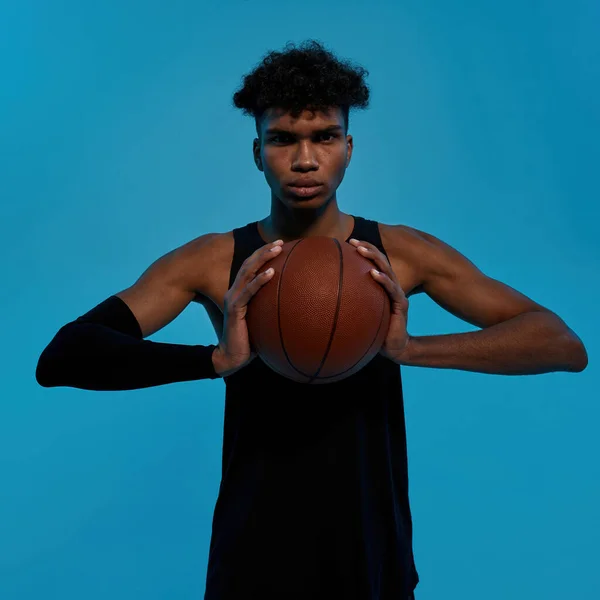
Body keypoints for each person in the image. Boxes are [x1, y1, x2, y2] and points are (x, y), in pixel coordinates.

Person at [35, 40, 588, 600]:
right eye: (282, 140)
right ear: (257, 151)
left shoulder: (400, 253)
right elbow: (64, 355)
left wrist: (411, 348)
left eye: (324, 137)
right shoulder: (211, 261)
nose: (304, 160)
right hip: (253, 555)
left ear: (349, 147)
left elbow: (562, 344)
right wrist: (213, 360)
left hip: (372, 552)